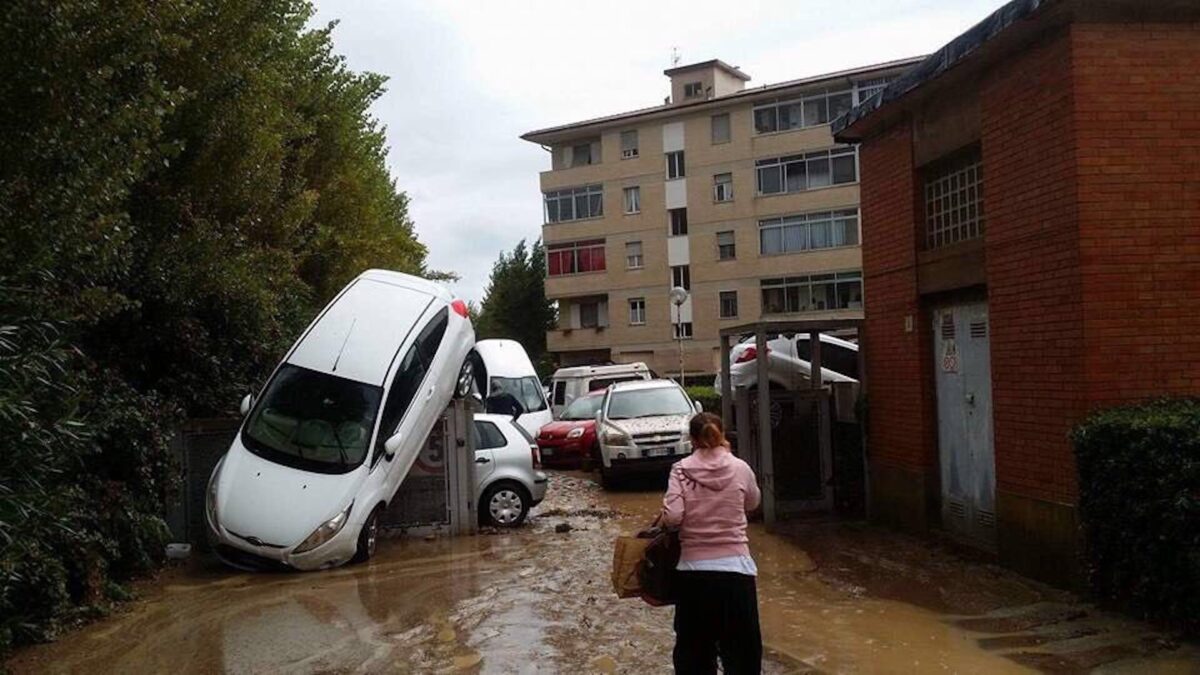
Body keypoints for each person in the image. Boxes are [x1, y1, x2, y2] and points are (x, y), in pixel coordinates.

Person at [661, 412, 762, 674]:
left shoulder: (680, 470)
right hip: (737, 575)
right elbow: (753, 503)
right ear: (722, 435)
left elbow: (672, 518)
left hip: (694, 577)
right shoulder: (741, 467)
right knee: (742, 657)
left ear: (692, 439)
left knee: (694, 656)